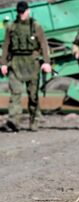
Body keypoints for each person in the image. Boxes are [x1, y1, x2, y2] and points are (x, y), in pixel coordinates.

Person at [0, 1, 52, 132]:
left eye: (23, 11)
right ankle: (13, 122)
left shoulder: (36, 26)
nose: (21, 14)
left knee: (33, 95)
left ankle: (34, 120)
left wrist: (46, 62)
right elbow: (6, 46)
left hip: (32, 63)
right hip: (16, 62)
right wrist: (3, 64)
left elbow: (44, 45)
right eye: (19, 12)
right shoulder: (11, 27)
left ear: (28, 11)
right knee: (15, 93)